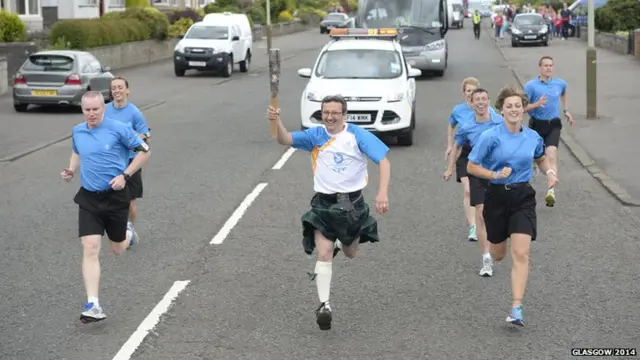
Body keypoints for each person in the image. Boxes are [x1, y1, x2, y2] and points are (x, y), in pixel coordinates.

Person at [267, 95, 390, 331]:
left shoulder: (357, 136)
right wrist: (277, 121)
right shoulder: (316, 135)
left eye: (335, 113)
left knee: (351, 252)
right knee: (323, 254)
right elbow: (285, 139)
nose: (330, 117)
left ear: (344, 115)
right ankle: (324, 305)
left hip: (352, 204)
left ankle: (342, 244)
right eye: (326, 112)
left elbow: (383, 162)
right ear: (322, 113)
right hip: (323, 204)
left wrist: (382, 193)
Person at [467, 87, 558, 326]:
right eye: (510, 106)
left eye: (518, 105)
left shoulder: (532, 137)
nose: (515, 109)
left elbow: (539, 157)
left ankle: (516, 307)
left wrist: (548, 171)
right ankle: (494, 250)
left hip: (522, 197)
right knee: (499, 254)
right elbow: (471, 166)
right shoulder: (490, 136)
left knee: (522, 253)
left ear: (523, 108)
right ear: (502, 109)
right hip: (496, 196)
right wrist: (494, 174)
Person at [61, 91, 151, 323]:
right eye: (87, 110)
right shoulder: (78, 131)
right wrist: (71, 169)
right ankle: (93, 304)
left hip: (115, 197)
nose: (91, 114)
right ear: (82, 110)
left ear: (103, 108)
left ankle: (128, 234)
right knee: (90, 247)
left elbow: (144, 151)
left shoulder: (119, 128)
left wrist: (125, 175)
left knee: (117, 248)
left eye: (95, 109)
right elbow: (77, 151)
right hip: (89, 198)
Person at [444, 88, 503, 277]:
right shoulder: (467, 126)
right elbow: (457, 146)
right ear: (472, 102)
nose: (481, 102)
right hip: (477, 172)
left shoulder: (499, 122)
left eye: (484, 99)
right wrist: (450, 167)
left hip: (497, 172)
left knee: (498, 214)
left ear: (488, 101)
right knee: (480, 211)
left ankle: (497, 239)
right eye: (477, 99)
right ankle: (486, 259)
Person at [445, 78, 496, 242]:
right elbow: (452, 128)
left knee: (492, 196)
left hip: (487, 157)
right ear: (466, 94)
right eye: (468, 91)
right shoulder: (459, 112)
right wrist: (449, 162)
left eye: (474, 91)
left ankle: (490, 222)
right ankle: (474, 225)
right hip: (467, 152)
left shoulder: (494, 116)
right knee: (468, 190)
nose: (471, 94)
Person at [523, 56, 573, 207]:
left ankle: (551, 191)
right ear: (540, 67)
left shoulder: (560, 83)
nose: (548, 68)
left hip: (553, 124)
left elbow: (564, 93)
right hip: (536, 125)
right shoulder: (531, 86)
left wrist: (566, 110)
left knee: (551, 156)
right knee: (535, 156)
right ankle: (534, 162)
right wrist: (536, 104)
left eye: (551, 65)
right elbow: (522, 108)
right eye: (545, 66)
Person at [105, 77, 151, 239]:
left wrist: (132, 141)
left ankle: (130, 229)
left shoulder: (134, 113)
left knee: (130, 201)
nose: (116, 91)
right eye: (113, 88)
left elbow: (146, 137)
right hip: (111, 160)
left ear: (127, 91)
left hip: (131, 162)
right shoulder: (104, 110)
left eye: (120, 87)